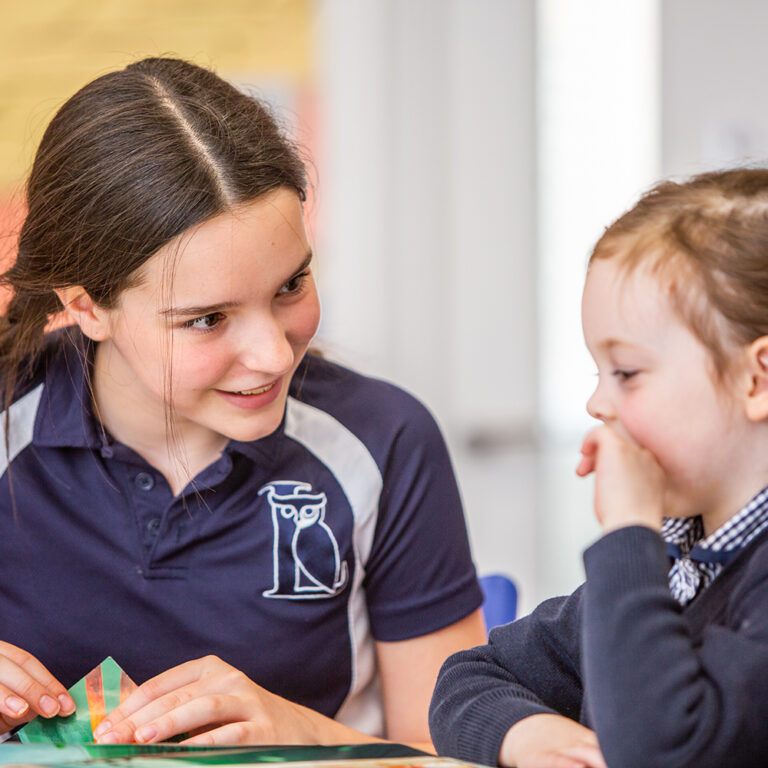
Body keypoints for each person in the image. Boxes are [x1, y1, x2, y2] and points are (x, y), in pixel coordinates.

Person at [0, 57, 485, 747]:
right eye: (207, 319)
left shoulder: (386, 440)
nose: (275, 355)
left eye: (291, 285)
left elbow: (452, 757)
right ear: (86, 307)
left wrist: (304, 734)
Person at [429, 169, 768, 768]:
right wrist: (529, 734)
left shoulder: (672, 562)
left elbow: (662, 749)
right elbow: (473, 675)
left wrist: (628, 532)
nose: (597, 405)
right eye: (597, 373)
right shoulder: (677, 557)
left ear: (756, 377)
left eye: (627, 373)